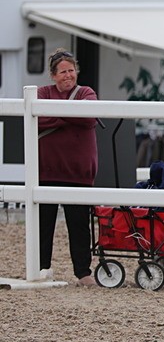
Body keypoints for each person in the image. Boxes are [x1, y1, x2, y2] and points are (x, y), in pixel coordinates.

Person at [37, 49, 99, 285]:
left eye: (71, 70)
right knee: (43, 225)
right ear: (53, 75)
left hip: (78, 174)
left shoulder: (86, 92)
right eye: (63, 71)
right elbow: (35, 119)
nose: (68, 75)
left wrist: (55, 114)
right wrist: (69, 115)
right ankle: (41, 269)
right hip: (46, 171)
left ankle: (83, 273)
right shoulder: (42, 92)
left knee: (79, 227)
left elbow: (89, 118)